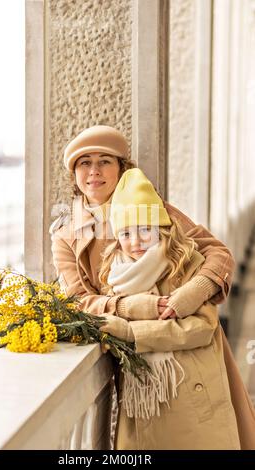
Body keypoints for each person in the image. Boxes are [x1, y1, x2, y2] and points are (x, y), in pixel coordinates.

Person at [50, 125, 255, 449]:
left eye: (105, 161)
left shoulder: (148, 206)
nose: (94, 172)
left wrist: (195, 290)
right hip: (141, 363)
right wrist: (128, 308)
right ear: (74, 173)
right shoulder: (66, 235)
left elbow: (217, 252)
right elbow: (76, 300)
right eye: (84, 163)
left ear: (121, 167)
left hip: (190, 345)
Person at [98, 168, 243, 449]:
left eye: (144, 229)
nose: (136, 241)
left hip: (189, 390)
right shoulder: (116, 272)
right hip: (145, 400)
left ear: (161, 227)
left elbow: (202, 327)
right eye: (126, 232)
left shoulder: (185, 263)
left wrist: (131, 332)